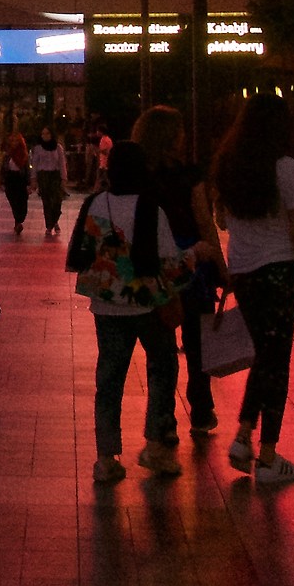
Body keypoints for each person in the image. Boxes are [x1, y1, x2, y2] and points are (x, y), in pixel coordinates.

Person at [214, 95, 294, 485]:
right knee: (276, 361)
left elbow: (222, 222)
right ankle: (266, 455)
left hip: (243, 272)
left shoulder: (228, 166)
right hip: (280, 270)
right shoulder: (286, 168)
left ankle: (244, 436)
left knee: (264, 356)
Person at [71, 140, 194, 483]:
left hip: (106, 306)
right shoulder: (150, 207)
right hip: (147, 305)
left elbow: (83, 250)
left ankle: (106, 456)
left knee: (109, 379)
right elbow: (169, 262)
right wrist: (196, 256)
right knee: (162, 368)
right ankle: (155, 443)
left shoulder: (95, 203)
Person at [138, 104, 221, 436]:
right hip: (194, 262)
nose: (185, 136)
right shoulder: (190, 174)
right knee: (198, 341)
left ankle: (165, 419)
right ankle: (200, 410)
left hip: (157, 261)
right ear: (170, 136)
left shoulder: (142, 175)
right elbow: (204, 220)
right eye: (180, 130)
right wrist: (220, 266)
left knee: (161, 345)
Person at [29, 119, 68, 239]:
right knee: (46, 202)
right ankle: (49, 225)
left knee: (57, 201)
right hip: (43, 176)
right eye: (43, 134)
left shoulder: (58, 148)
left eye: (47, 133)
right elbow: (35, 164)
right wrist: (33, 179)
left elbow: (62, 163)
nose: (45, 136)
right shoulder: (38, 148)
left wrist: (64, 178)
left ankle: (54, 220)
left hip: (55, 176)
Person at [0, 125, 32, 237]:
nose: (14, 143)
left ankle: (19, 219)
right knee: (13, 201)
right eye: (12, 141)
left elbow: (27, 170)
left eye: (16, 141)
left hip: (21, 180)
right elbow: (3, 169)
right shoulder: (7, 155)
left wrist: (29, 183)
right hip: (10, 180)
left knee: (22, 202)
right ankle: (17, 221)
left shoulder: (24, 155)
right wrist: (2, 182)